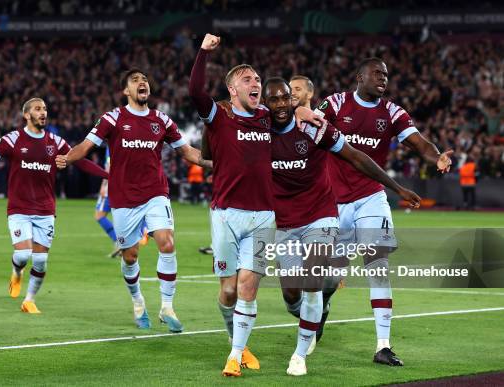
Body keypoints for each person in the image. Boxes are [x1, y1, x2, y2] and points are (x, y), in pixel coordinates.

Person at [262, 77, 420, 376]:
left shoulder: (315, 126)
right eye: (277, 98)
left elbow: (356, 156)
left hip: (323, 214)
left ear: (302, 96)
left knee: (356, 269)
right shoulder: (260, 130)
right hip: (287, 222)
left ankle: (301, 353)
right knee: (295, 293)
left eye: (290, 95)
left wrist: (397, 188)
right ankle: (316, 313)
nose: (285, 102)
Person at [189, 34, 324, 377]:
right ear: (232, 90)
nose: (256, 84)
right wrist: (203, 52)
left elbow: (290, 112)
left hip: (264, 217)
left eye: (258, 80)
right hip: (225, 215)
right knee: (230, 290)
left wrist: (302, 109)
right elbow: (195, 92)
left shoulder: (268, 117)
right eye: (247, 80)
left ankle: (234, 356)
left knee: (249, 285)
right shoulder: (219, 117)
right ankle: (238, 341)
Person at [317, 57, 452, 366]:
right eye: (377, 73)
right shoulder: (335, 103)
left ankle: (382, 345)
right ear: (359, 76)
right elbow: (308, 128)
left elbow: (419, 144)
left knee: (377, 266)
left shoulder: (391, 112)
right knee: (330, 277)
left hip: (371, 197)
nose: (383, 78)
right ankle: (322, 304)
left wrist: (437, 156)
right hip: (333, 202)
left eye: (386, 74)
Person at [56, 69, 211, 332]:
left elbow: (187, 151)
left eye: (145, 80)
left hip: (155, 193)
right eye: (135, 80)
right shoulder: (112, 118)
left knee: (167, 242)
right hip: (124, 197)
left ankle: (167, 307)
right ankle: (138, 301)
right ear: (126, 91)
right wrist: (66, 158)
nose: (143, 83)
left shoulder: (161, 120)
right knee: (130, 256)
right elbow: (85, 146)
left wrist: (213, 162)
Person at [0, 98, 107, 313]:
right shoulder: (14, 139)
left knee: (41, 260)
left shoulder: (56, 142)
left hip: (45, 210)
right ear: (26, 115)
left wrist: (108, 175)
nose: (43, 112)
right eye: (37, 109)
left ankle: (29, 300)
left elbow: (80, 160)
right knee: (24, 255)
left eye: (45, 109)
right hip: (19, 208)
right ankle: (17, 272)